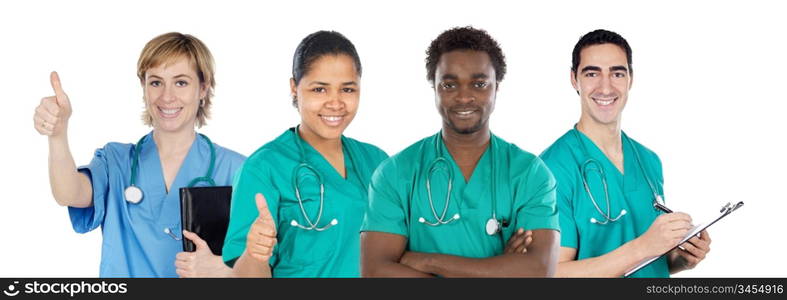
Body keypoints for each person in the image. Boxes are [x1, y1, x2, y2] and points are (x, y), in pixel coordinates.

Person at [33, 32, 245, 277]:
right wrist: (58, 134)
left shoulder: (237, 170)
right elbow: (69, 193)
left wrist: (225, 271)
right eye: (155, 82)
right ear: (143, 87)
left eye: (181, 82)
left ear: (203, 88)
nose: (167, 97)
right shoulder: (116, 162)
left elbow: (268, 263)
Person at [360, 26, 559, 277]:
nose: (464, 97)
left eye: (479, 84)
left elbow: (540, 270)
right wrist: (500, 272)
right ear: (434, 88)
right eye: (449, 85)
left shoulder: (529, 173)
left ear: (497, 86)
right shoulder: (395, 173)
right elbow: (376, 273)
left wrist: (429, 262)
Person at [539, 29, 711, 277]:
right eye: (592, 73)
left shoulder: (648, 160)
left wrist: (681, 259)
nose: (606, 87)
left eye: (617, 73)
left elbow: (647, 263)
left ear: (631, 79)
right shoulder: (552, 169)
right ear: (574, 79)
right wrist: (641, 247)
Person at [222, 30, 388, 278]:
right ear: (294, 87)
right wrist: (255, 253)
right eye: (319, 90)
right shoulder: (263, 168)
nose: (335, 103)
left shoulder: (377, 161)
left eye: (348, 89)